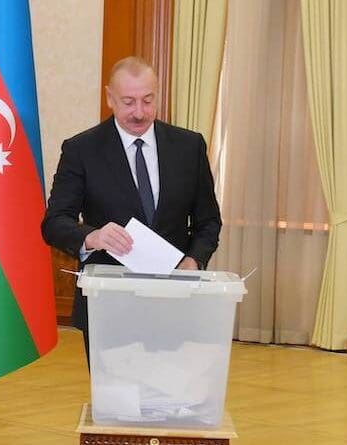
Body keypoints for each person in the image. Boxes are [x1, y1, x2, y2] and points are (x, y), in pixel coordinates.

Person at [41, 57, 222, 360]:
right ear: (109, 97)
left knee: (170, 398)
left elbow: (208, 222)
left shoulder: (189, 147)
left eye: (147, 101)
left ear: (157, 95)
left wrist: (193, 261)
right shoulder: (81, 149)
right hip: (109, 305)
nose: (139, 112)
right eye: (128, 102)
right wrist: (92, 236)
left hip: (174, 301)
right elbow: (54, 222)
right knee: (117, 400)